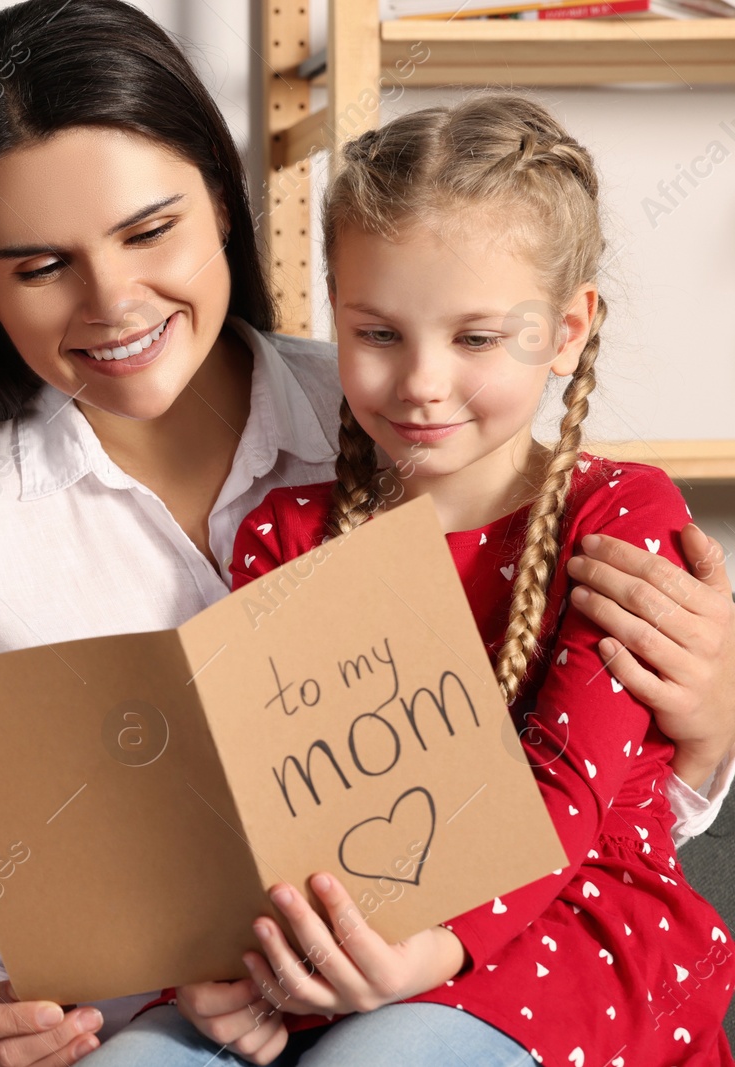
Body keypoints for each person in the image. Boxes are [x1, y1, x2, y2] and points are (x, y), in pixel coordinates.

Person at [0, 2, 735, 1064]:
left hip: (511, 961)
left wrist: (709, 728)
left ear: (222, 201)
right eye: (38, 266)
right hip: (244, 992)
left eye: (148, 229)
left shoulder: (398, 413)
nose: (113, 301)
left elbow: (603, 804)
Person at [103, 92, 735, 1067]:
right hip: (344, 927)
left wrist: (419, 955)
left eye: (476, 338)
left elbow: (563, 790)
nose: (422, 382)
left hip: (569, 920)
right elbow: (260, 801)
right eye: (379, 333)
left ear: (566, 330)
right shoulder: (286, 528)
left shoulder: (620, 515)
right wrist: (227, 972)